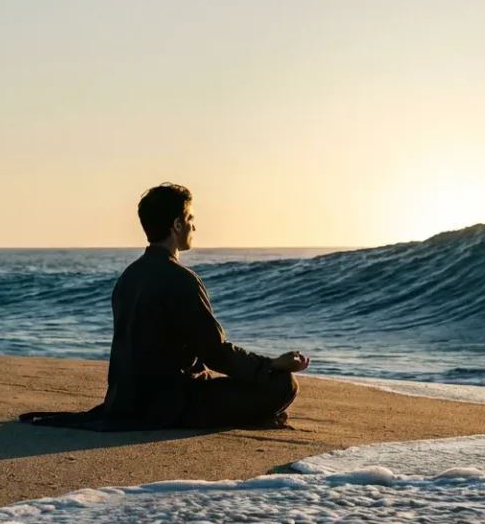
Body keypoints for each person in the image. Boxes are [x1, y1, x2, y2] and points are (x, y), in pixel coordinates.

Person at [21, 183, 309, 430]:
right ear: (177, 224)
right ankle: (250, 414)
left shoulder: (130, 276)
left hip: (125, 401)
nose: (194, 226)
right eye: (190, 218)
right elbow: (214, 352)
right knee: (283, 385)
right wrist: (270, 364)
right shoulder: (181, 280)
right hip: (171, 405)